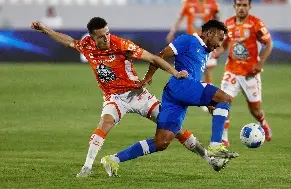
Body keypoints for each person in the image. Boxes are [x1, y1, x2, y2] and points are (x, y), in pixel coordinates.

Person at [30, 17, 225, 178]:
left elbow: (154, 58)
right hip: (114, 97)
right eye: (102, 36)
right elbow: (68, 41)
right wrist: (45, 29)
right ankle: (87, 167)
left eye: (107, 33)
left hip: (138, 95)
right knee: (104, 124)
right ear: (92, 37)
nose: (106, 38)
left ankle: (209, 158)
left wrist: (174, 73)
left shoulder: (121, 44)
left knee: (174, 130)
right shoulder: (87, 46)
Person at [101, 20, 239, 177]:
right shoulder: (188, 40)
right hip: (181, 85)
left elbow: (196, 78)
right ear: (209, 33)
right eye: (220, 39)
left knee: (161, 142)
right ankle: (215, 147)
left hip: (176, 95)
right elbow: (159, 56)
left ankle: (113, 159)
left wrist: (208, 102)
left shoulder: (205, 52)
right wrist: (147, 78)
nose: (220, 44)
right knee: (226, 98)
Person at [214, 0, 273, 146]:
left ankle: (263, 123)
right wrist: (218, 51)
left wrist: (260, 64)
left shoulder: (256, 24)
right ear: (234, 6)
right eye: (238, 5)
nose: (241, 8)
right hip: (231, 70)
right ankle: (224, 138)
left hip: (250, 74)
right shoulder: (228, 24)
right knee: (223, 101)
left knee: (255, 110)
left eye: (244, 5)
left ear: (249, 7)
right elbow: (225, 44)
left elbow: (269, 44)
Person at [166, 0, 221, 112]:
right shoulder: (188, 3)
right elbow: (180, 19)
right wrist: (172, 31)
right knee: (193, 69)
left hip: (207, 41)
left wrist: (220, 39)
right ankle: (201, 96)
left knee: (207, 68)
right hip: (192, 42)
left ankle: (207, 97)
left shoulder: (213, 4)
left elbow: (218, 21)